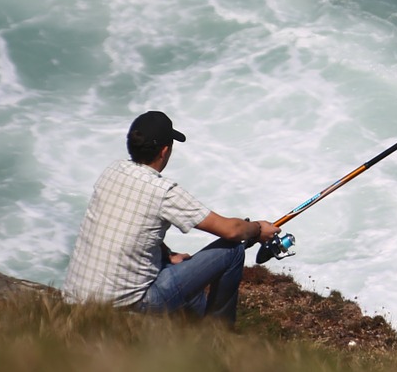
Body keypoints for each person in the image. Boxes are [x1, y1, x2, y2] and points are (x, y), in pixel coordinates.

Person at [63, 110, 279, 324]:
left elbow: (130, 228)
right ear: (164, 151)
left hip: (76, 297)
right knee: (232, 251)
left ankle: (191, 327)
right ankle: (218, 336)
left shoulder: (111, 171)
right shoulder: (163, 191)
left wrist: (167, 255)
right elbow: (231, 230)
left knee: (181, 273)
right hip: (130, 303)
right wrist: (259, 229)